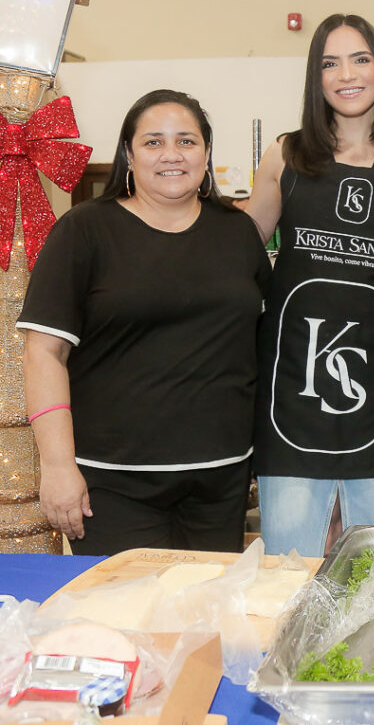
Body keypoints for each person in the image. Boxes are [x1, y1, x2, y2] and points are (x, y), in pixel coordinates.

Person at [19, 89, 271, 556]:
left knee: (208, 623)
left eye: (187, 141)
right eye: (153, 142)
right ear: (128, 155)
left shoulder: (237, 234)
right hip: (113, 486)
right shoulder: (84, 231)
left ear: (207, 153)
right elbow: (43, 352)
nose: (172, 155)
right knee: (126, 625)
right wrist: (56, 465)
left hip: (221, 482)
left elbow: (265, 346)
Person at [247, 14, 374, 558]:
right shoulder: (285, 156)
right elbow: (240, 249)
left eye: (359, 59)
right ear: (316, 76)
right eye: (330, 62)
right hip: (291, 388)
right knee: (288, 571)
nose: (345, 74)